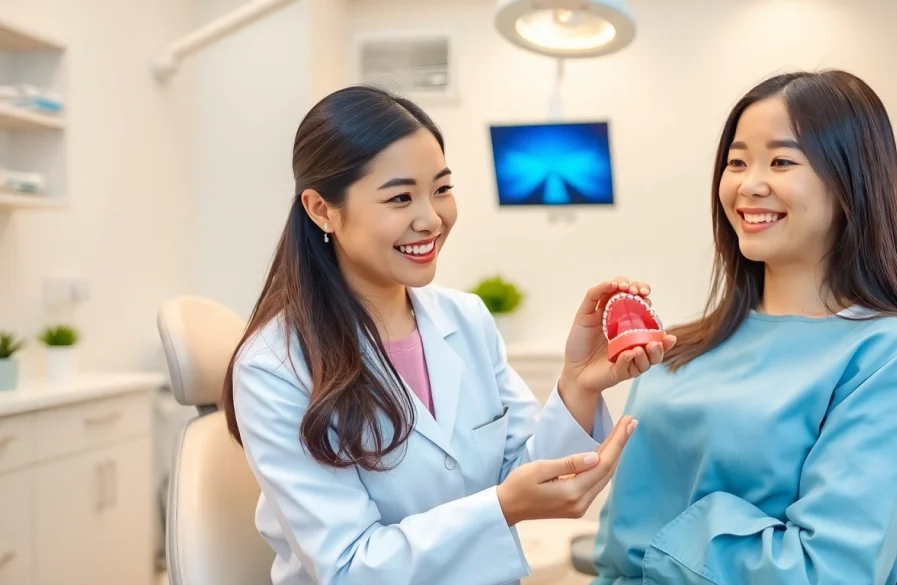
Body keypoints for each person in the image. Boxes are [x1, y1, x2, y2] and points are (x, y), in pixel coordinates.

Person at [221, 85, 677, 585]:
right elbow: (350, 567)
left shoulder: (466, 319)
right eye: (400, 197)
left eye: (441, 189)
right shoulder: (275, 367)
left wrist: (579, 383)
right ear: (321, 209)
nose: (432, 218)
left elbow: (521, 471)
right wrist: (501, 508)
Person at [591, 69, 897, 585]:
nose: (749, 185)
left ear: (852, 182)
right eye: (736, 162)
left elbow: (827, 573)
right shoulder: (682, 346)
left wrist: (667, 542)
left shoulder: (891, 356)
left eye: (782, 161)